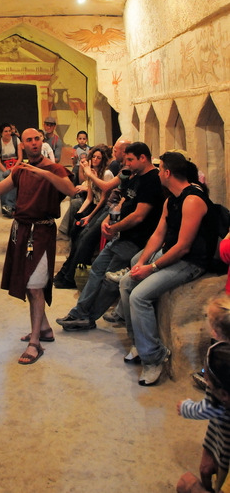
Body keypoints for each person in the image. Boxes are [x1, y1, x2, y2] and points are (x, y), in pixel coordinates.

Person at [0, 128, 76, 365]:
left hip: (42, 231)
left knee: (35, 286)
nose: (34, 143)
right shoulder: (20, 169)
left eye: (37, 139)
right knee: (29, 283)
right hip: (22, 230)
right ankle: (44, 329)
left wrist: (43, 173)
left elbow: (71, 190)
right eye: (29, 140)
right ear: (23, 145)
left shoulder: (55, 168)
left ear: (42, 141)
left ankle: (35, 343)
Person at [119, 152, 217, 386]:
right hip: (172, 254)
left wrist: (151, 267)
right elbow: (159, 234)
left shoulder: (193, 200)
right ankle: (139, 343)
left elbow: (183, 247)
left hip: (191, 262)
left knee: (139, 296)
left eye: (160, 168)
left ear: (167, 173)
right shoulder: (171, 199)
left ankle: (154, 359)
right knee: (126, 283)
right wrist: (142, 262)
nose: (158, 172)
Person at [56, 142, 163, 334]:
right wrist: (107, 220)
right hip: (121, 235)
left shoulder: (152, 180)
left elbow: (139, 215)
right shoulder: (135, 175)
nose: (127, 163)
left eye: (130, 159)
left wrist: (114, 227)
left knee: (109, 281)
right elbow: (121, 201)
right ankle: (79, 312)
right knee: (97, 268)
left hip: (136, 240)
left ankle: (86, 317)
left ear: (143, 158)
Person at [54, 145, 114, 289]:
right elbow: (89, 198)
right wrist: (80, 215)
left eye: (99, 158)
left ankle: (70, 277)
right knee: (76, 231)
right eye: (94, 157)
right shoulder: (92, 173)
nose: (95, 159)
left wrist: (90, 217)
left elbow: (103, 200)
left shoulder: (106, 174)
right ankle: (65, 272)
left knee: (85, 238)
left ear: (104, 159)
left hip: (104, 209)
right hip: (94, 207)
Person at [177, 342, 230, 493]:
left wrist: (193, 488)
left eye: (208, 384)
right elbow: (216, 411)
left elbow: (209, 407)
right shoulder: (224, 400)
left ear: (224, 395)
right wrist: (210, 448)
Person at [0, 123, 23, 217]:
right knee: (3, 181)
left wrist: (13, 168)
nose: (8, 133)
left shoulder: (16, 140)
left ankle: (9, 206)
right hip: (3, 166)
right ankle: (7, 207)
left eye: (9, 131)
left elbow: (20, 157)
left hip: (15, 165)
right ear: (1, 133)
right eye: (6, 131)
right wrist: (5, 170)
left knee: (13, 179)